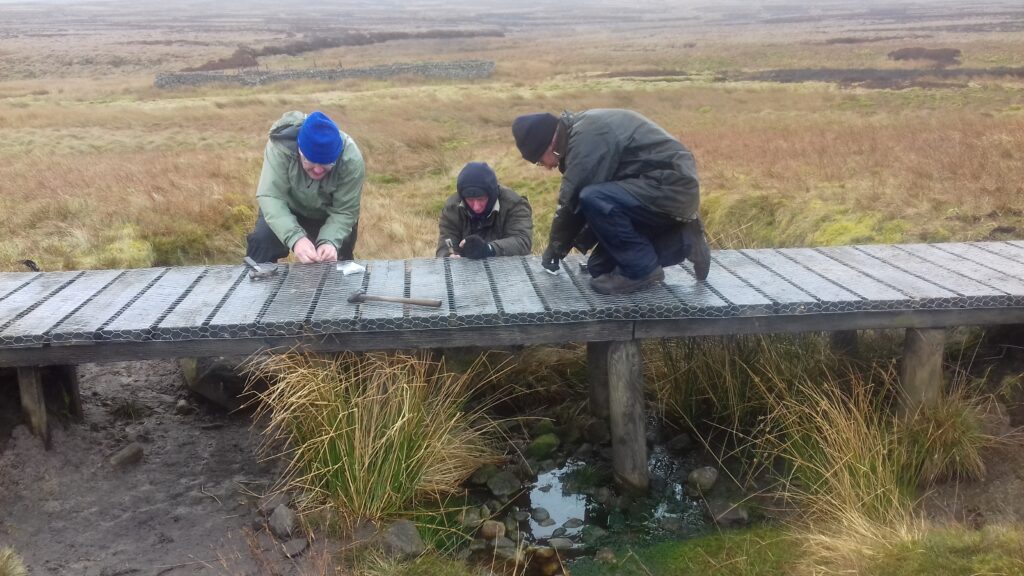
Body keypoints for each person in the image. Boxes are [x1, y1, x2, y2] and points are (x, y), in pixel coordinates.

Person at [512, 109, 711, 295]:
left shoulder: (586, 138)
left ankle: (642, 271)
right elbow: (594, 210)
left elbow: (573, 202)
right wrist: (568, 243)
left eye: (539, 161)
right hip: (653, 190)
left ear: (549, 145)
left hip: (671, 185)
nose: (545, 167)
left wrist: (555, 249)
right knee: (598, 268)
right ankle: (684, 239)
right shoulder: (580, 134)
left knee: (592, 197)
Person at [245, 110, 365, 264]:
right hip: (286, 208)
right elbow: (271, 196)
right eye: (311, 161)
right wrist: (296, 239)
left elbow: (345, 211)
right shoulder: (281, 146)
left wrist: (329, 242)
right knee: (262, 241)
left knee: (338, 258)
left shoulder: (351, 159)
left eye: (327, 164)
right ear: (299, 151)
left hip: (328, 214)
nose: (318, 169)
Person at [436, 162, 533, 259]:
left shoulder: (515, 205)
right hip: (465, 268)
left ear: (492, 195)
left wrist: (488, 249)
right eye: (470, 200)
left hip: (508, 266)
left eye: (481, 199)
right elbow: (446, 242)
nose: (476, 207)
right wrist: (449, 256)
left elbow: (522, 241)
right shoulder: (452, 208)